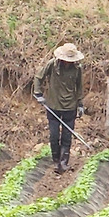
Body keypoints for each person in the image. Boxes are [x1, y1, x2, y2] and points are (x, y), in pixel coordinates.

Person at [33, 43, 85, 174]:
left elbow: (79, 87)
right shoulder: (52, 64)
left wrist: (80, 104)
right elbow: (39, 77)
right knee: (54, 135)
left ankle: (63, 162)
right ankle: (56, 160)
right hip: (53, 106)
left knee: (67, 136)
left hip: (70, 107)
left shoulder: (77, 68)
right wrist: (38, 94)